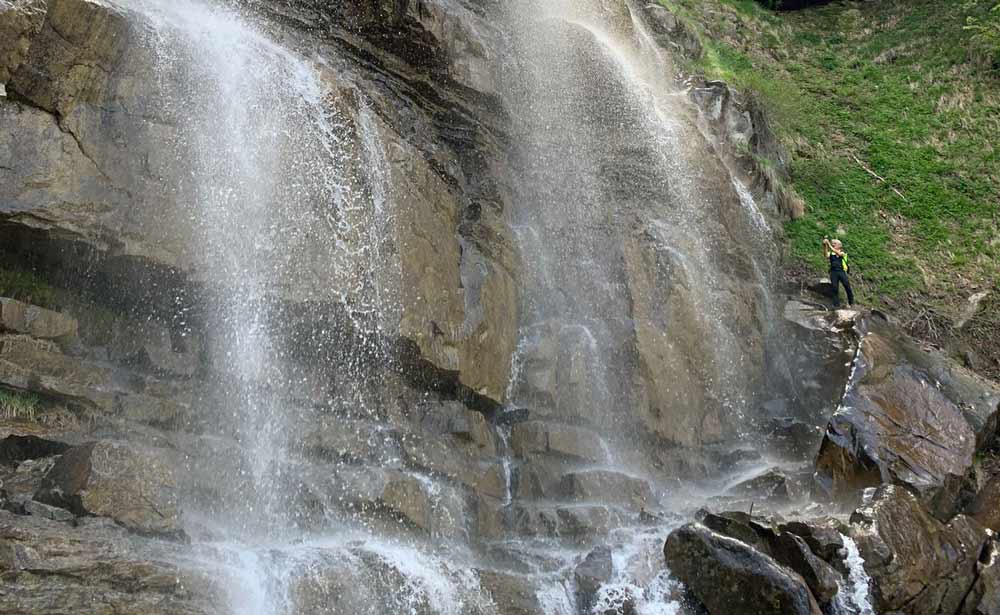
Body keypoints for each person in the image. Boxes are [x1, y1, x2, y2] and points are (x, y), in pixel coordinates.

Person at [823, 236, 854, 307]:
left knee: (847, 285)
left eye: (834, 243)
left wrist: (829, 244)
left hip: (841, 271)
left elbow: (839, 254)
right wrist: (825, 246)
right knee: (834, 288)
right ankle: (836, 305)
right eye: (832, 243)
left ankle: (851, 302)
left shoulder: (843, 252)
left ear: (839, 245)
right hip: (833, 272)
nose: (833, 244)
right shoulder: (831, 253)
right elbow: (825, 255)